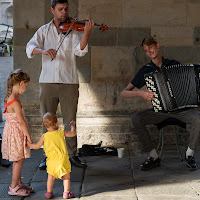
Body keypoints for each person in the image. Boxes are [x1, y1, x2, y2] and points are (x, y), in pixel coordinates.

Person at [26, 0, 94, 168]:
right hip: (47, 81)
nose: (64, 12)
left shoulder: (74, 28)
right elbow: (30, 47)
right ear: (52, 10)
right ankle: (49, 154)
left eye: (66, 8)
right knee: (47, 119)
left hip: (68, 81)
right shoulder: (44, 30)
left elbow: (81, 51)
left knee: (70, 120)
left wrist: (86, 33)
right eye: (60, 9)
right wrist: (43, 51)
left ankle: (72, 155)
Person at [121, 36, 200, 171]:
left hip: (180, 110)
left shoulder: (174, 64)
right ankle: (153, 157)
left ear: (157, 46)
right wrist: (141, 93)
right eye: (146, 51)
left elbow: (187, 82)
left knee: (198, 118)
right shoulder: (145, 70)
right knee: (136, 118)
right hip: (160, 111)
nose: (149, 52)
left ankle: (190, 154)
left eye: (150, 48)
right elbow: (124, 92)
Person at [27, 112, 76, 199]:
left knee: (50, 178)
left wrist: (27, 143)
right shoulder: (61, 132)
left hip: (51, 161)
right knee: (66, 177)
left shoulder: (45, 136)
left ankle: (49, 193)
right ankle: (66, 193)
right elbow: (72, 134)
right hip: (62, 160)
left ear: (44, 126)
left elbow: (36, 146)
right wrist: (73, 126)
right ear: (56, 123)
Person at [2, 69, 34, 196]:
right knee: (18, 160)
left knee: (18, 159)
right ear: (20, 83)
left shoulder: (9, 98)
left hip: (11, 131)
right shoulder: (15, 102)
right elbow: (22, 122)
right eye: (25, 86)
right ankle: (14, 187)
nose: (25, 89)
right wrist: (28, 136)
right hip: (16, 133)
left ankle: (19, 183)